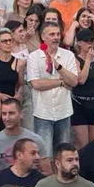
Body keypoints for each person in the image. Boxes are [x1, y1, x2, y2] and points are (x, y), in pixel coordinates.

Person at [26, 21, 78, 154]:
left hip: (64, 112)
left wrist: (59, 67)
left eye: (58, 34)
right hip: (42, 112)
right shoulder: (34, 57)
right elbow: (36, 84)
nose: (56, 37)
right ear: (43, 36)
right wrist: (60, 82)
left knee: (64, 153)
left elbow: (73, 81)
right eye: (52, 34)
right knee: (45, 155)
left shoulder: (68, 55)